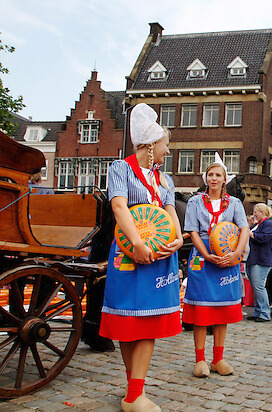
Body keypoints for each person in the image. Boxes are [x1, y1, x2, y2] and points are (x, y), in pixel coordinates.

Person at [100, 103, 183, 411]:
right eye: (165, 145)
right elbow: (119, 207)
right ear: (150, 146)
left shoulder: (165, 180)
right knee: (127, 321)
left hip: (160, 256)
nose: (168, 151)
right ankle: (133, 391)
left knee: (147, 323)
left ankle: (134, 391)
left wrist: (177, 239)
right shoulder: (121, 169)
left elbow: (171, 211)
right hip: (128, 253)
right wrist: (136, 243)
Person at [183, 153, 249, 379]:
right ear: (206, 178)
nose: (214, 178)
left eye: (218, 175)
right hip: (203, 260)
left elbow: (244, 230)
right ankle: (200, 359)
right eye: (210, 174)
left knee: (221, 313)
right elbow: (192, 232)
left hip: (227, 260)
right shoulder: (194, 202)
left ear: (224, 179)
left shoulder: (235, 203)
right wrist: (207, 255)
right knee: (201, 312)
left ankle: (218, 358)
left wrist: (236, 255)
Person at [247, 203, 272, 322]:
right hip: (254, 258)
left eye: (256, 211)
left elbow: (265, 238)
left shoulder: (268, 224)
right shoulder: (258, 225)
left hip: (262, 259)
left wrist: (251, 234)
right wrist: (249, 227)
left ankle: (264, 313)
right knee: (255, 286)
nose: (254, 214)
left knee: (259, 286)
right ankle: (258, 311)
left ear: (263, 212)